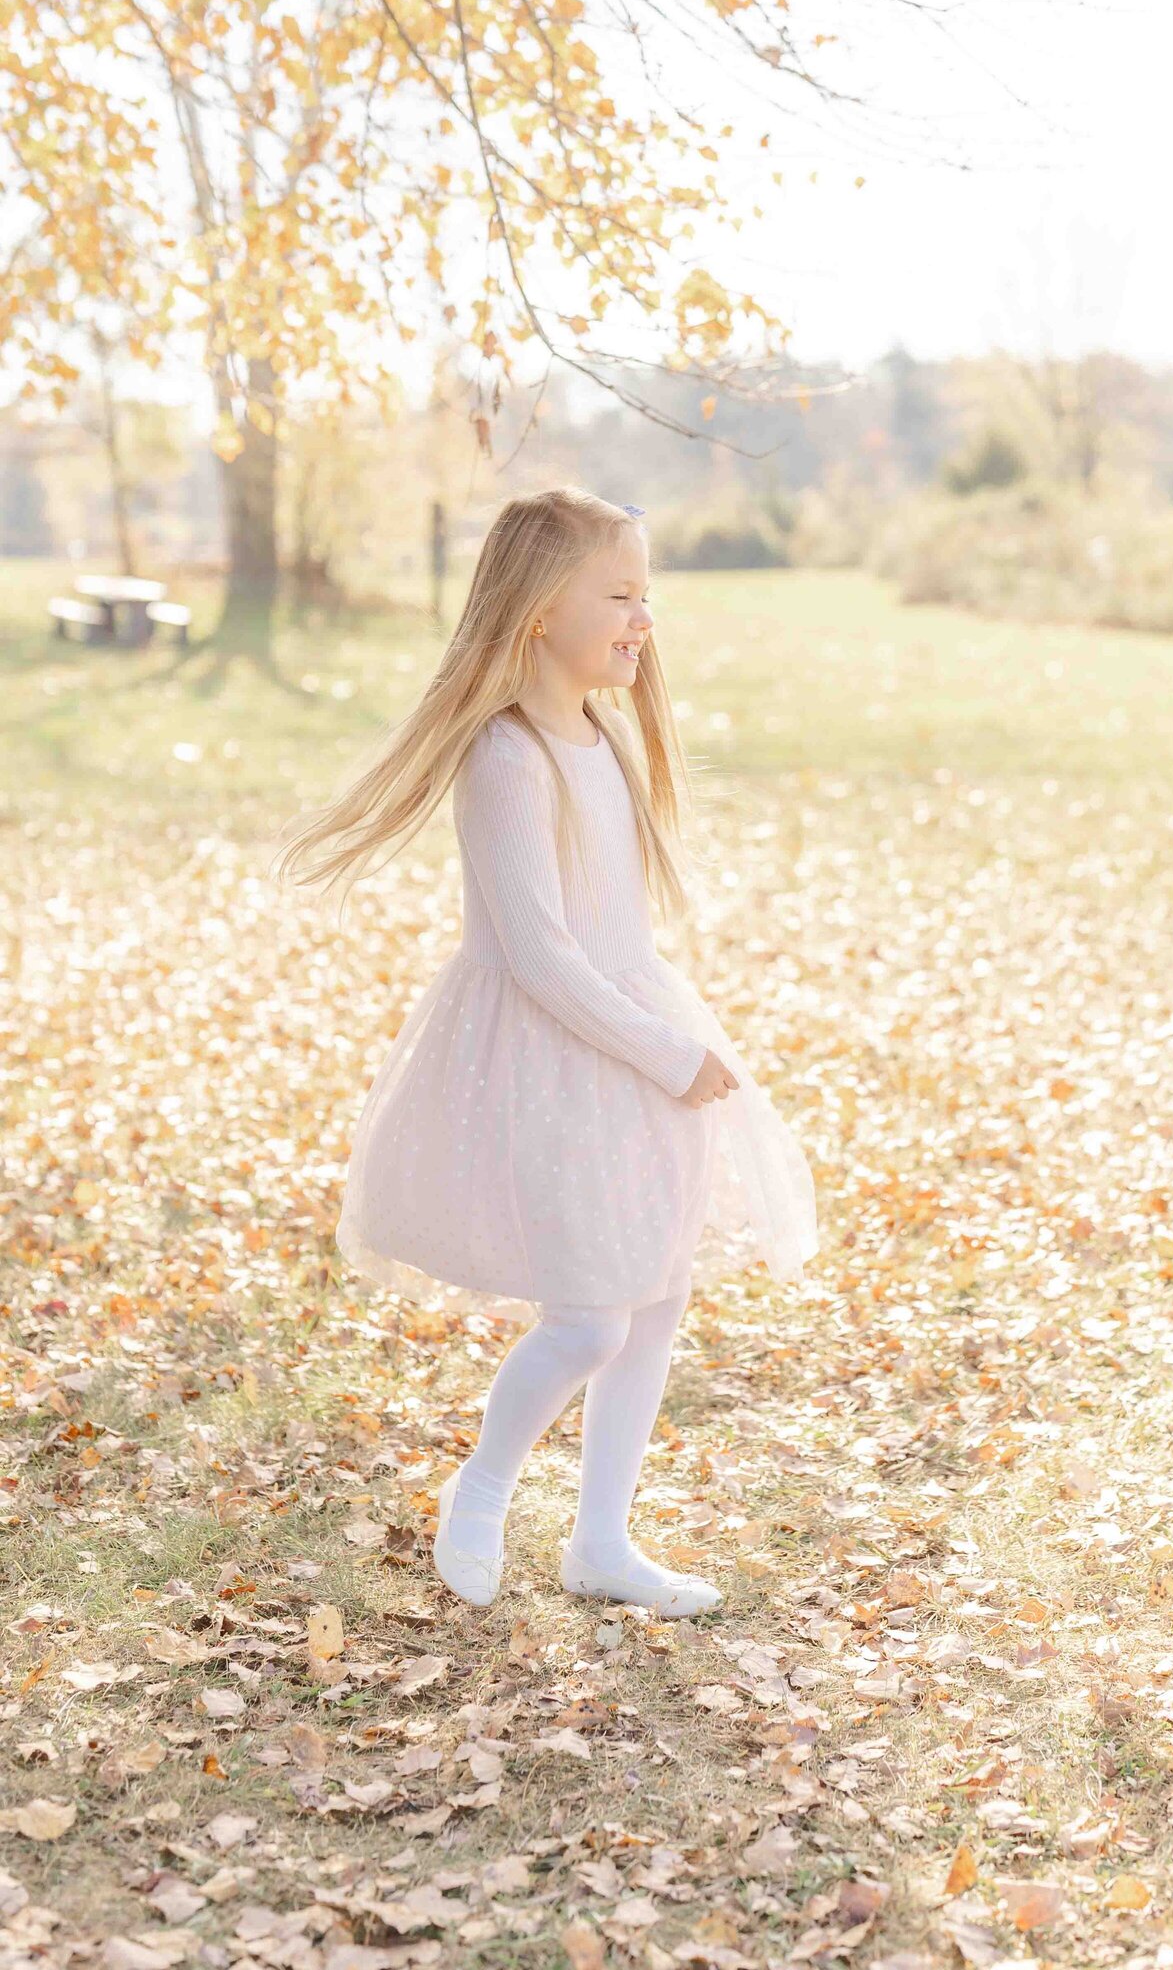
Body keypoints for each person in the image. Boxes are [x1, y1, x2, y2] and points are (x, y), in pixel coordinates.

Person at [272, 487, 819, 1615]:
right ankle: (481, 1489)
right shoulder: (507, 756)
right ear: (537, 610)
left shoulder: (602, 737)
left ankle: (602, 1543)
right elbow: (537, 956)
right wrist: (666, 1054)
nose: (641, 619)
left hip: (637, 1038)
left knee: (655, 1294)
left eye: (645, 595)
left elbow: (610, 931)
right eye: (618, 594)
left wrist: (669, 1044)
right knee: (586, 1317)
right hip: (558, 1053)